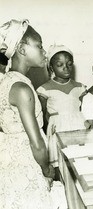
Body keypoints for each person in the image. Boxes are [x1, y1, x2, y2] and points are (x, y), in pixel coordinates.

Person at [0, 19, 54, 208]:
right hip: (26, 164)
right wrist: (47, 170)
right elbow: (36, 143)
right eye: (39, 46)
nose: (44, 51)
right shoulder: (22, 89)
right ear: (22, 50)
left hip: (8, 163)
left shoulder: (5, 81)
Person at [36, 44, 87, 171]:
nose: (66, 68)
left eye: (69, 64)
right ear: (51, 67)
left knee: (80, 162)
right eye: (60, 65)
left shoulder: (80, 87)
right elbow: (41, 115)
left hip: (78, 127)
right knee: (60, 164)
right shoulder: (44, 89)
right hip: (57, 129)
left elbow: (84, 110)